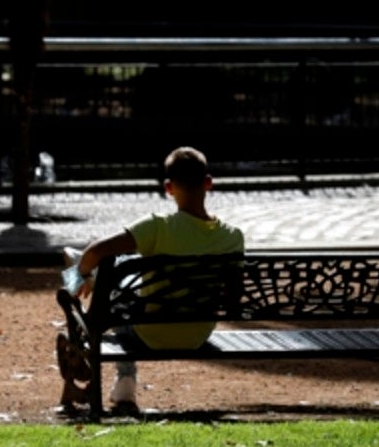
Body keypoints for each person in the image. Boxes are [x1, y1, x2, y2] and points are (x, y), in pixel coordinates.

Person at [66, 146, 245, 414]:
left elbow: (95, 250)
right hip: (197, 333)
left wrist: (77, 279)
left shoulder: (157, 227)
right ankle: (87, 280)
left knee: (108, 280)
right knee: (124, 269)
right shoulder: (233, 237)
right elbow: (233, 297)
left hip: (149, 333)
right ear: (208, 183)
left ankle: (121, 374)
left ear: (168, 188)